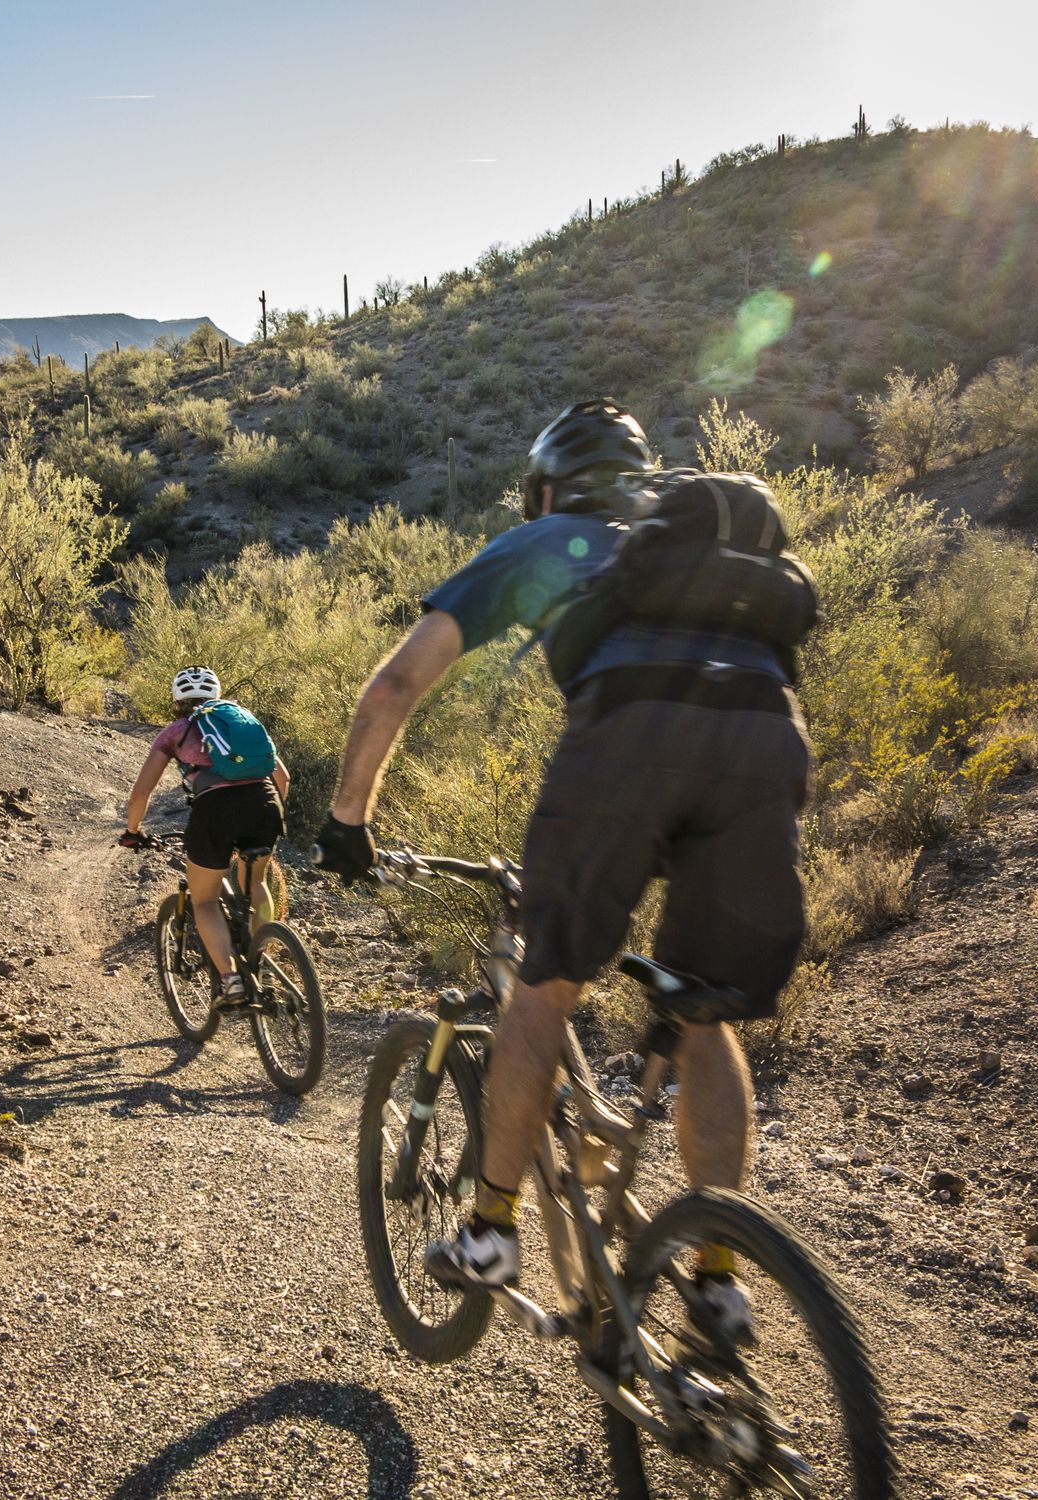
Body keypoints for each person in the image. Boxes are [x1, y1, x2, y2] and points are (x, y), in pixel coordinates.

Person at [315, 398, 811, 1350]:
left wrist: (349, 822)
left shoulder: (544, 540)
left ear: (547, 487)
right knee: (702, 1012)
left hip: (626, 742)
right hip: (767, 739)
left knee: (542, 988)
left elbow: (392, 688)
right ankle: (718, 1280)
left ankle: (493, 1233)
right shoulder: (711, 555)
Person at [122, 666, 289, 1004]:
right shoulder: (240, 722)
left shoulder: (175, 732)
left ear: (176, 701)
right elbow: (282, 776)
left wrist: (133, 831)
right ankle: (264, 962)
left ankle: (231, 981)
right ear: (216, 696)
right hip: (266, 802)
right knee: (255, 882)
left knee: (204, 900)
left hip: (216, 812)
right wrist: (269, 813)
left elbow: (141, 793)